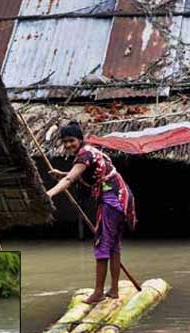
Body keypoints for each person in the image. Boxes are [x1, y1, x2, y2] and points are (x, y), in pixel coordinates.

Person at [46, 121, 136, 304]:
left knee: (102, 244)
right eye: (65, 142)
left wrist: (48, 195)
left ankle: (98, 293)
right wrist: (62, 174)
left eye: (71, 140)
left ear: (79, 139)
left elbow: (72, 178)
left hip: (112, 201)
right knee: (113, 245)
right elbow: (83, 173)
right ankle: (114, 290)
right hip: (122, 200)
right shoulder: (91, 152)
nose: (68, 145)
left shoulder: (85, 154)